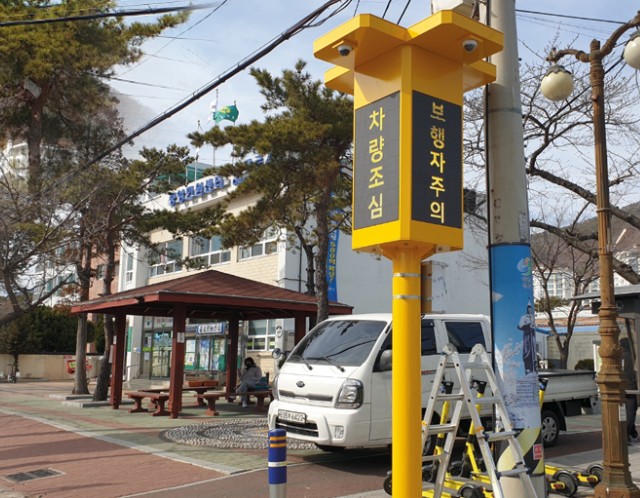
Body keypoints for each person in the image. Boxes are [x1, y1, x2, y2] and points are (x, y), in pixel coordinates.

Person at [621, 338, 638, 444]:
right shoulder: (633, 358)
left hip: (620, 389)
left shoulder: (618, 359)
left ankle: (630, 432)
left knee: (622, 413)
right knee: (631, 412)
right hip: (631, 388)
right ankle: (627, 433)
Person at [518, 304, 537, 375]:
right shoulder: (524, 317)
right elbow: (520, 326)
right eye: (528, 308)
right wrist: (527, 324)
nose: (530, 310)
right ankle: (527, 368)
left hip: (533, 336)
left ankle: (534, 367)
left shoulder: (533, 317)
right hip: (527, 336)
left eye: (531, 308)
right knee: (527, 351)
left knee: (533, 352)